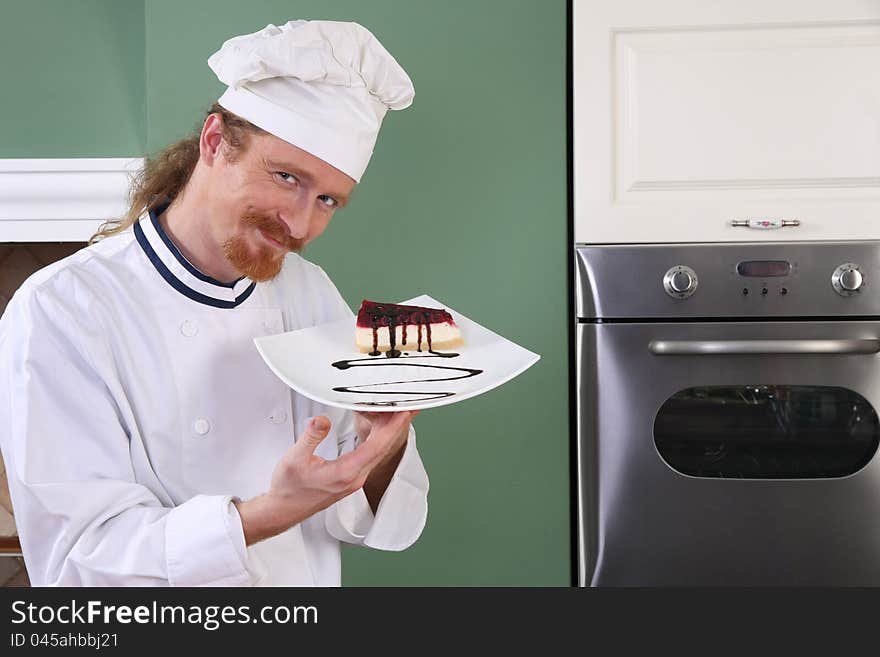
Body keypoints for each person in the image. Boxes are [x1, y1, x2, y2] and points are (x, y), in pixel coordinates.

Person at [0, 20, 429, 586]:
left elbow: (370, 519)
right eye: (285, 176)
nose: (302, 222)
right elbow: (83, 560)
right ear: (214, 143)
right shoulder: (62, 310)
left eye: (328, 199)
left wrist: (384, 438)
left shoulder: (310, 291)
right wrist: (270, 512)